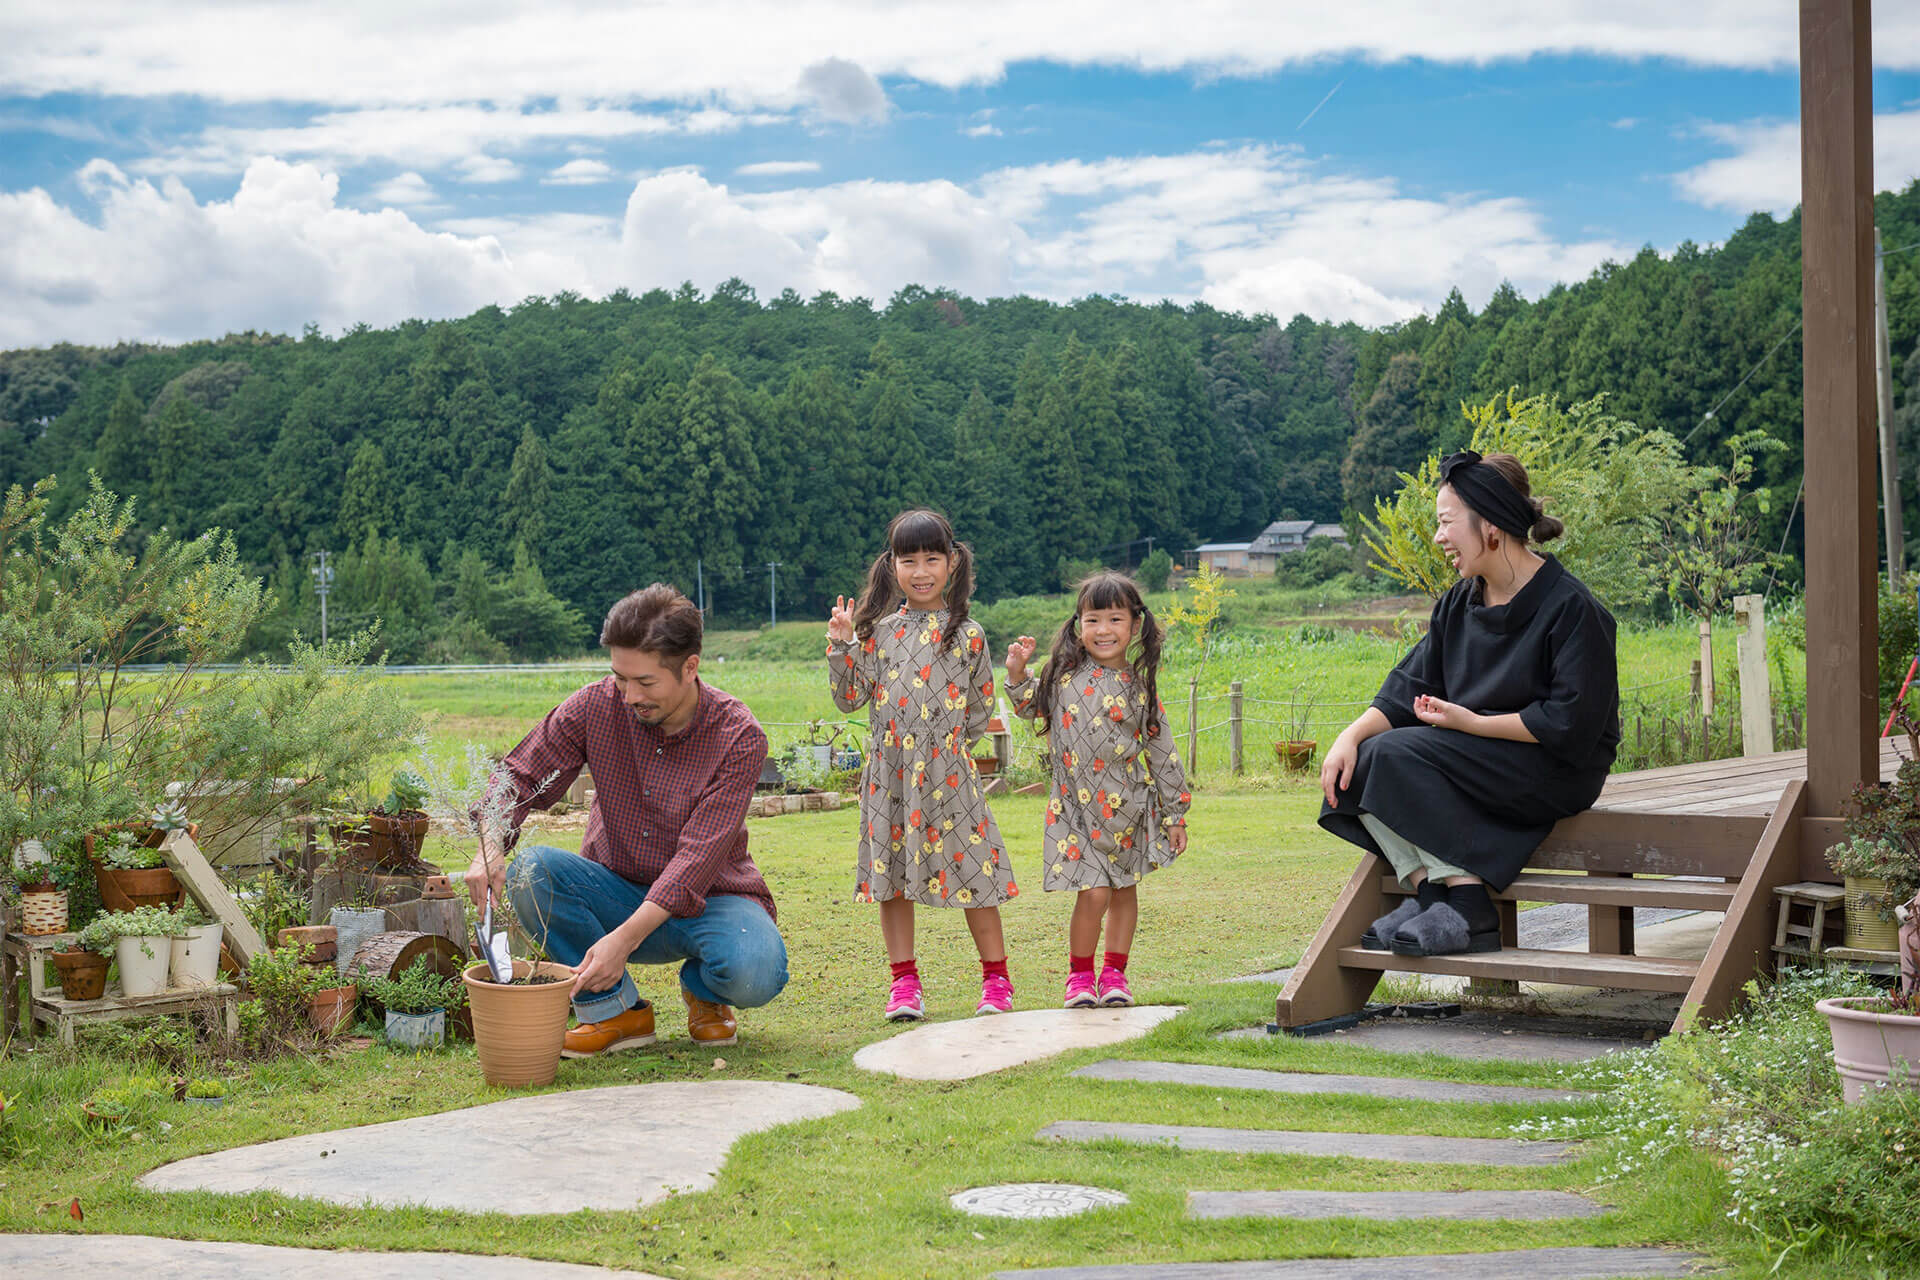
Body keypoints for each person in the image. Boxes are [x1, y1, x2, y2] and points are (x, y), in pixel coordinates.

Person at [466, 583, 789, 1057]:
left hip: (710, 900)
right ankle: (615, 1011)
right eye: (620, 678)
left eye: (645, 683)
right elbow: (519, 773)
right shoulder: (595, 706)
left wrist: (622, 942)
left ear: (690, 667)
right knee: (531, 869)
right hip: (612, 887)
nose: (628, 695)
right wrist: (490, 845)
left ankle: (705, 991)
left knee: (756, 970)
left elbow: (696, 859)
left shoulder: (738, 736)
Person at [1319, 450, 1619, 957]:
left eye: (1445, 522)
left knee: (1394, 755)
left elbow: (1570, 724)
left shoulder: (1572, 608)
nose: (1438, 537)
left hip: (1555, 765)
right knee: (1359, 764)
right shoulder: (1461, 601)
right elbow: (1406, 685)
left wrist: (1472, 724)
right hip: (1477, 752)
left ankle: (1470, 907)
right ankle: (1430, 894)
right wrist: (1347, 737)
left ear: (1492, 525)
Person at [827, 508, 1019, 1021]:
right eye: (907, 559)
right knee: (891, 877)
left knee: (976, 873)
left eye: (931, 558)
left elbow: (980, 707)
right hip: (890, 778)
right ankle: (904, 985)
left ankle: (997, 982)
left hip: (952, 775)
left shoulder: (970, 633)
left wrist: (943, 750)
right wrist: (842, 644)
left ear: (951, 563)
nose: (920, 570)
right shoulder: (875, 632)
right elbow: (849, 699)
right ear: (892, 566)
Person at [1005, 572, 1189, 1009]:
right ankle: (1080, 977)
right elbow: (1030, 705)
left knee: (1125, 890)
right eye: (1093, 620)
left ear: (1134, 625)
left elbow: (1161, 751)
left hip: (1127, 809)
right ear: (1077, 626)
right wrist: (1015, 672)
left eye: (1114, 619)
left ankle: (1115, 976)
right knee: (1093, 892)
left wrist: (1175, 813)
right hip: (1074, 810)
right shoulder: (1062, 675)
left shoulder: (1140, 687)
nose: (1103, 630)